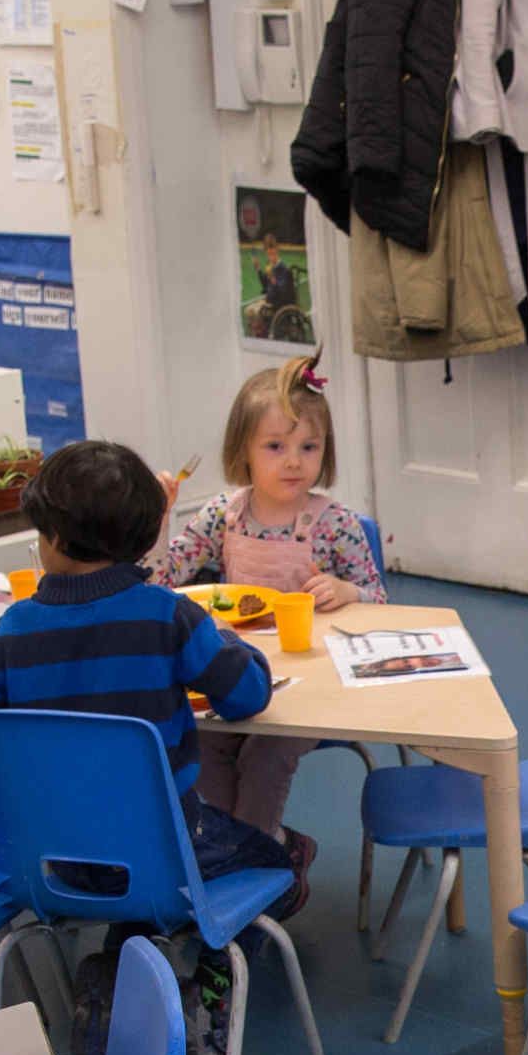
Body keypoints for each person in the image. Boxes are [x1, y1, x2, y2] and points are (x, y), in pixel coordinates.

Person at [0, 439, 287, 1055]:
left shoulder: (12, 632)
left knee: (148, 880)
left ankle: (122, 972)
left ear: (51, 536)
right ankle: (206, 998)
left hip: (54, 861)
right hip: (166, 848)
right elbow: (245, 695)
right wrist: (223, 640)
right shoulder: (169, 617)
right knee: (276, 857)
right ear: (142, 538)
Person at [144, 354, 384, 897]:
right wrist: (159, 522)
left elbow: (380, 603)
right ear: (243, 452)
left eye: (308, 447)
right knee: (198, 739)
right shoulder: (221, 516)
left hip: (310, 688)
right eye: (274, 447)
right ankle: (267, 850)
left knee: (269, 751)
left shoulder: (335, 524)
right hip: (233, 679)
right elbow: (161, 583)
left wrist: (348, 592)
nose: (293, 461)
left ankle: (246, 875)